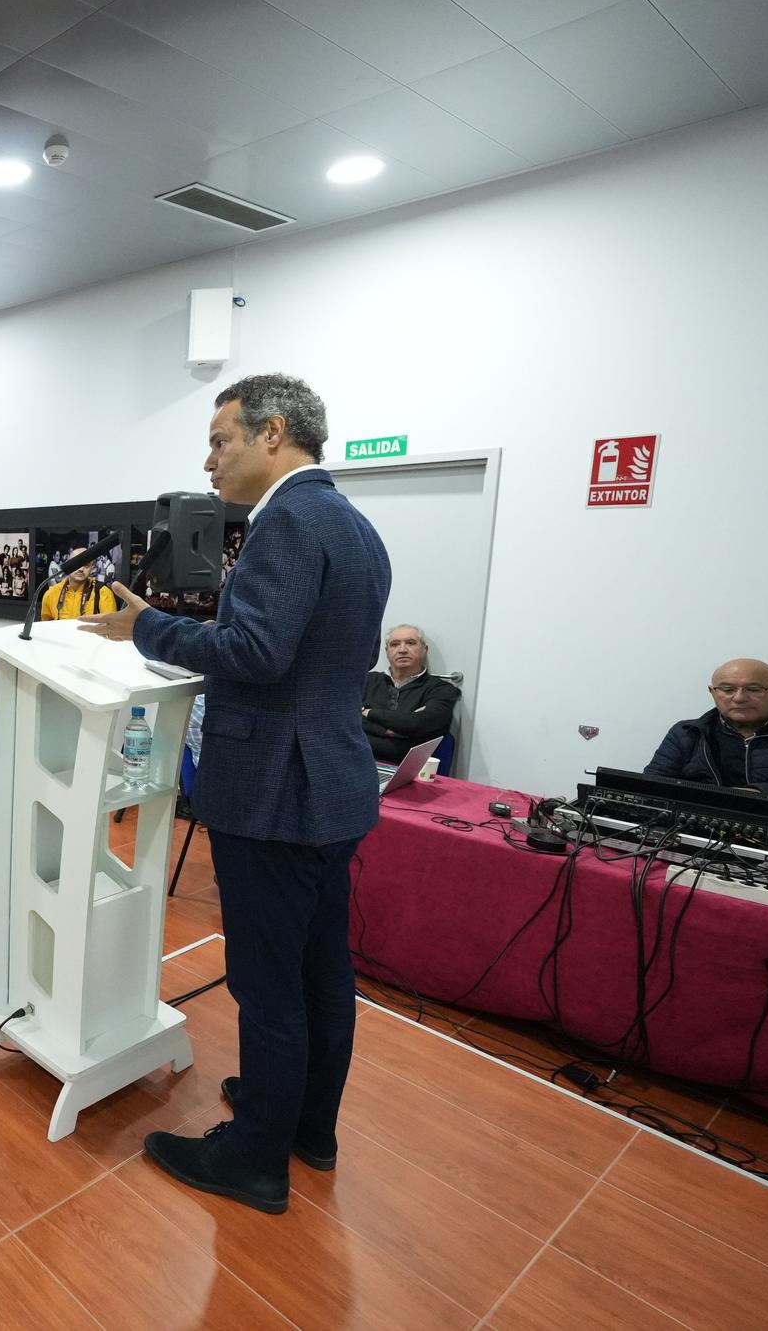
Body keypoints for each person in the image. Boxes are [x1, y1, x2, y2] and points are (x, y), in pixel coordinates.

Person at [79, 372, 391, 1217]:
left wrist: (142, 623)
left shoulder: (285, 520)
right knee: (324, 974)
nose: (209, 459)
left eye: (221, 440)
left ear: (273, 433)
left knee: (268, 986)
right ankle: (304, 1127)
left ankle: (255, 1160)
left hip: (273, 793)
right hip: (333, 786)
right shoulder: (355, 525)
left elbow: (253, 651)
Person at [645, 658, 768, 807]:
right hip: (692, 829)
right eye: (727, 689)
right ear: (713, 692)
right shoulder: (686, 732)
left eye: (754, 689)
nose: (739, 698)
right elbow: (652, 784)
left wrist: (752, 794)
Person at [361, 623, 459, 764]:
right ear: (386, 651)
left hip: (408, 770)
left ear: (424, 650)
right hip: (359, 762)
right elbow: (344, 720)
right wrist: (389, 730)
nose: (402, 650)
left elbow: (419, 724)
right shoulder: (366, 681)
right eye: (394, 644)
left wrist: (369, 713)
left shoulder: (441, 689)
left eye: (410, 643)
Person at [39, 548, 118, 621]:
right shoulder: (51, 594)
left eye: (86, 565)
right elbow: (46, 628)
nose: (80, 569)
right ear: (68, 565)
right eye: (76, 563)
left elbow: (110, 629)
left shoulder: (103, 593)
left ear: (92, 568)